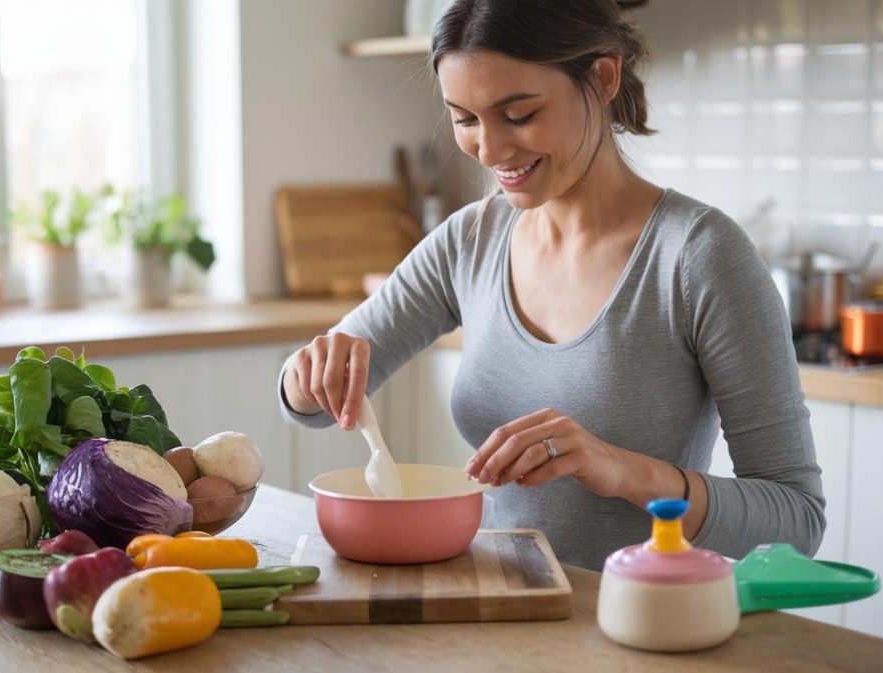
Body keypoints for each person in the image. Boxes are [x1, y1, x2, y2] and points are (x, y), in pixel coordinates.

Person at [278, 0, 824, 570]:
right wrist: (310, 372)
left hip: (639, 627)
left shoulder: (699, 257)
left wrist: (621, 470)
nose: (489, 152)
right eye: (465, 119)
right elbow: (308, 408)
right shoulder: (471, 240)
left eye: (518, 115)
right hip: (500, 614)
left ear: (604, 77)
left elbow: (797, 523)